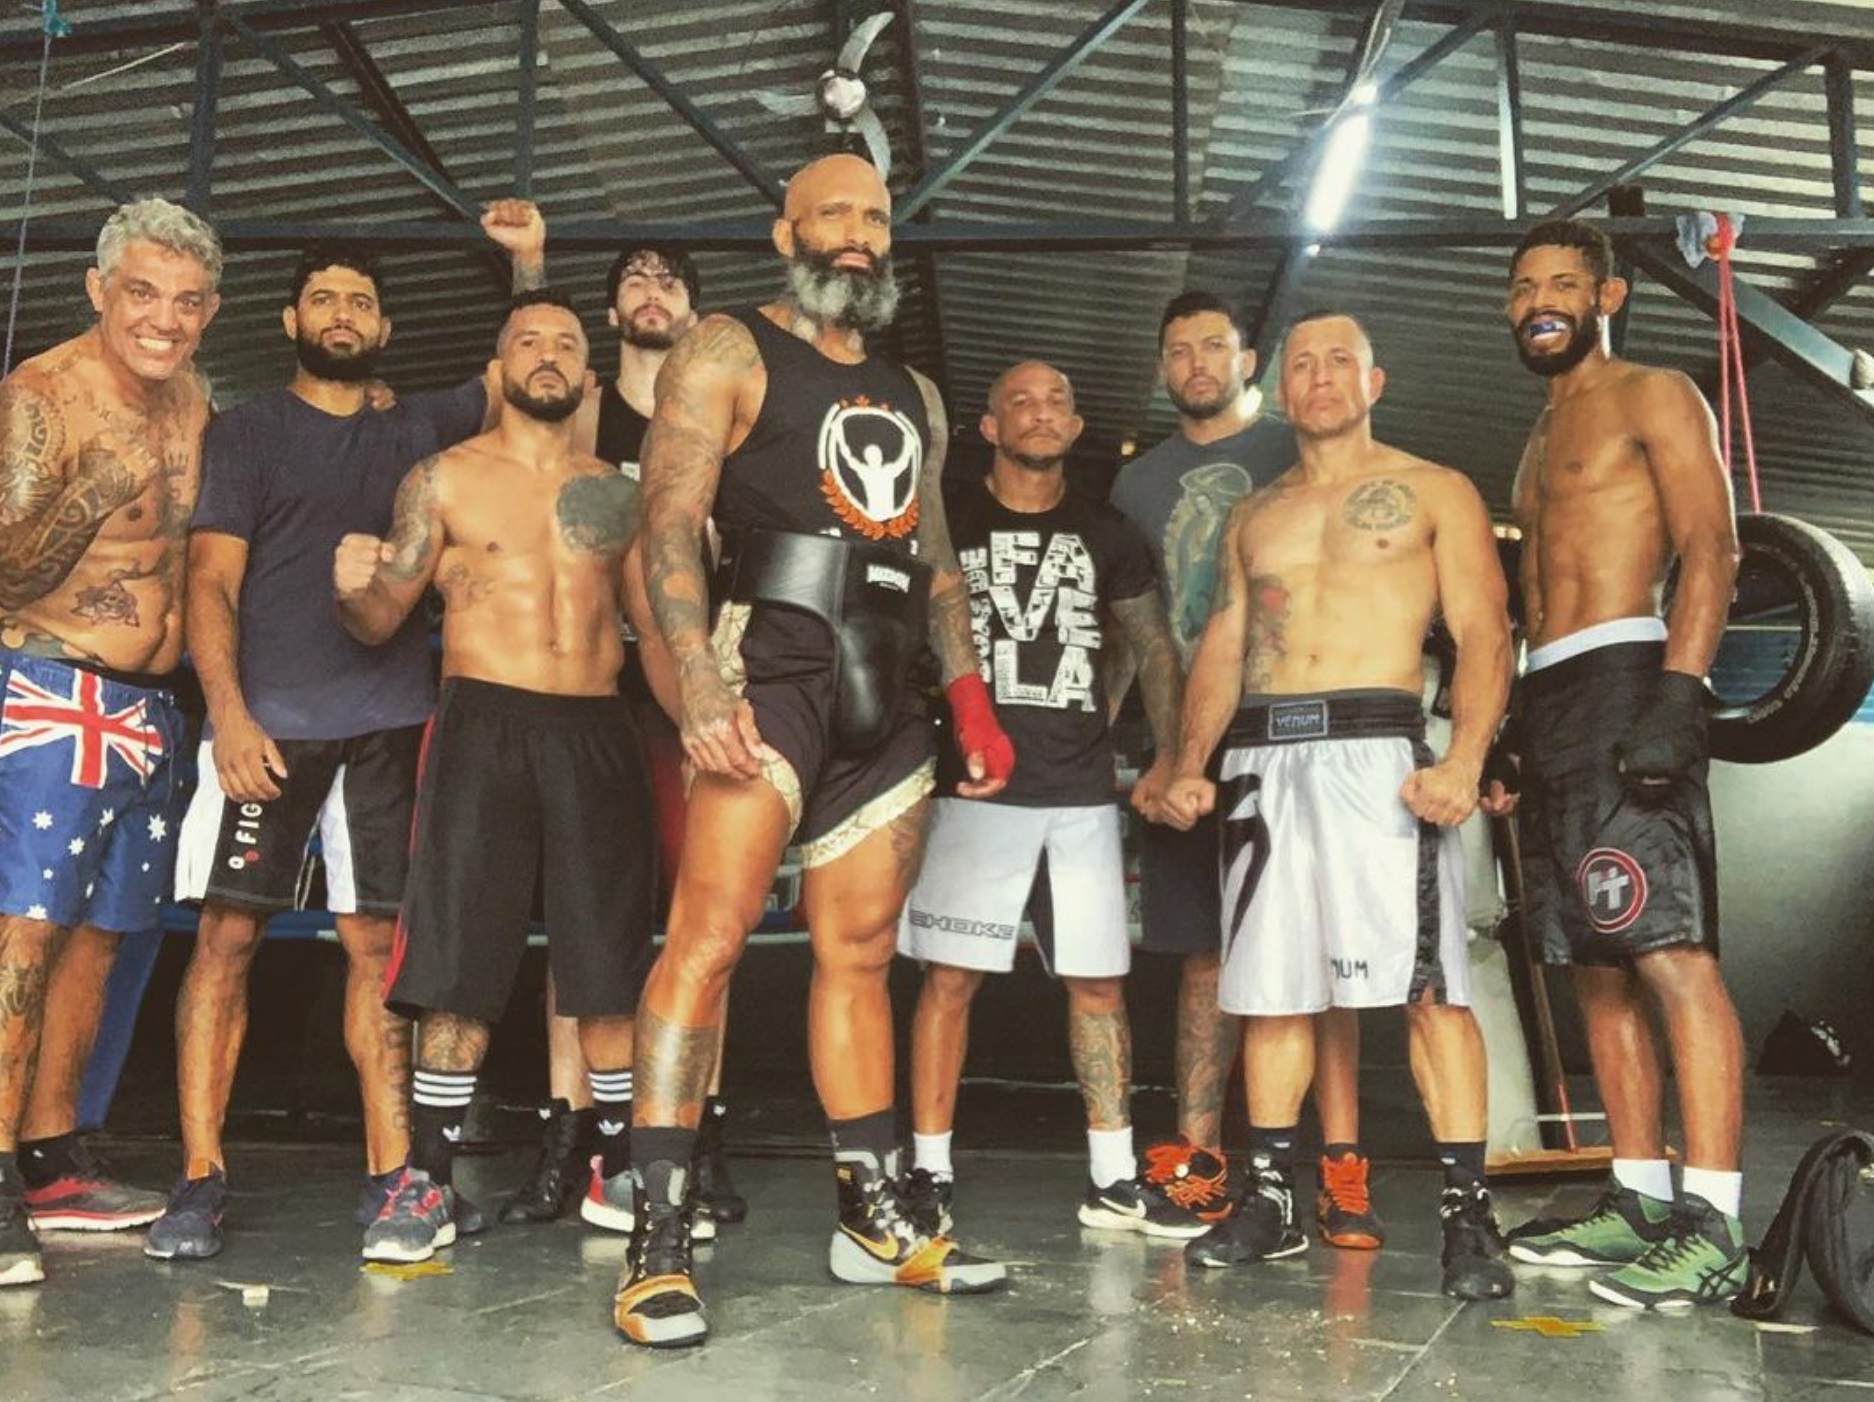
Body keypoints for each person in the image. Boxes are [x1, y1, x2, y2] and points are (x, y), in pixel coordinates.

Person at [618, 153, 1013, 1349]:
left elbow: (937, 559)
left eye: (877, 218)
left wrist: (967, 694)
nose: (858, 234)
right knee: (710, 938)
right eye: (834, 213)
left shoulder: (915, 391)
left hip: (886, 686)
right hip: (768, 668)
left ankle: (871, 1213)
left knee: (859, 950)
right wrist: (693, 678)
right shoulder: (730, 349)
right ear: (785, 228)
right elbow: (666, 522)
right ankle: (657, 1233)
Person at [147, 204, 543, 1262]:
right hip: (264, 730)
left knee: (380, 949)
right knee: (224, 942)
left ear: (383, 331)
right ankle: (197, 1177)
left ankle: (390, 1172)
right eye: (322, 296)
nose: (341, 312)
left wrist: (528, 266)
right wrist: (225, 713)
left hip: (390, 724)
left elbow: (523, 373)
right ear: (289, 318)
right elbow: (210, 582)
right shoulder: (249, 431)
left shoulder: (413, 426)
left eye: (359, 301)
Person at [1158, 309, 1516, 1301]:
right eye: (1300, 363)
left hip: (1381, 751)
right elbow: (1224, 645)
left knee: (1428, 990)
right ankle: (1268, 1195)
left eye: (1339, 361)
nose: (1319, 375)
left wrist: (1464, 758)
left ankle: (1464, 1213)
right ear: (1275, 390)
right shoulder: (1253, 516)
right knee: (1272, 991)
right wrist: (1190, 759)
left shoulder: (1433, 488)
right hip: (1265, 761)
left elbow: (1485, 633)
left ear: (1374, 380)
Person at [333, 289, 662, 1266]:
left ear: (588, 375)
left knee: (605, 960)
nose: (549, 355)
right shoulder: (441, 478)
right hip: (484, 720)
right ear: (500, 366)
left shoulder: (617, 491)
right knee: (460, 962)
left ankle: (616, 1162)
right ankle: (426, 1178)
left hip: (598, 724)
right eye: (529, 340)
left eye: (567, 343)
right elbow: (379, 621)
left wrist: (714, 718)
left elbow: (658, 631)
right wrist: (356, 586)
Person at [1489, 218, 1746, 1311]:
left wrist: (1678, 694)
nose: (1539, 299)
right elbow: (1528, 601)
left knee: (1667, 953)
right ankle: (1636, 1193)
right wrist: (1505, 721)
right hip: (1547, 699)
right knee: (1589, 958)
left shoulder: (1653, 394)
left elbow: (1714, 544)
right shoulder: (1531, 444)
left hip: (1628, 680)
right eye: (1522, 286)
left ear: (1608, 297)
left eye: (1562, 282)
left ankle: (1714, 1218)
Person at [898, 360, 1205, 1240]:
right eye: (1020, 402)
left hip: (1077, 791)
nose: (1042, 413)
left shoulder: (1108, 531)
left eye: (1059, 401)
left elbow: (1151, 649)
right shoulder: (945, 521)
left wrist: (1169, 757)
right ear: (988, 428)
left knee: (1099, 984)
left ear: (1077, 429)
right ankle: (928, 1171)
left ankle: (1112, 1179)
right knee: (949, 982)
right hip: (974, 786)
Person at [1109, 291, 1380, 1250]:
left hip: (1304, 734)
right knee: (1204, 956)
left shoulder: (1297, 449)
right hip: (1188, 743)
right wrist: (1143, 752)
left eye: (1212, 346)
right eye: (1176, 349)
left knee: (1325, 954)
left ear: (1249, 357)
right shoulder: (1136, 489)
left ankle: (1340, 1173)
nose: (1195, 363)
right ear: (1160, 367)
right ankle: (1202, 1165)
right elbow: (1134, 632)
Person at [0, 198, 221, 1288]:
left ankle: (51, 1158)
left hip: (151, 707)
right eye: (142, 293)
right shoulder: (43, 394)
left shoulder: (198, 399)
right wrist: (90, 490)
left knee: (104, 938)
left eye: (184, 302)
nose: (163, 320)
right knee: (24, 937)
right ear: (98, 291)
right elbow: (2, 568)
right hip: (48, 684)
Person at [500, 243, 743, 1235]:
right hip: (589, 690)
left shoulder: (727, 415)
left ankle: (695, 1131)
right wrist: (525, 268)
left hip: (693, 695)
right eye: (634, 280)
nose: (651, 293)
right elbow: (520, 363)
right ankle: (573, 1132)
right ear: (610, 313)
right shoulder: (582, 413)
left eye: (670, 280)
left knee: (707, 914)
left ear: (694, 311)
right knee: (582, 923)